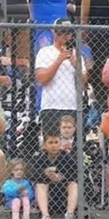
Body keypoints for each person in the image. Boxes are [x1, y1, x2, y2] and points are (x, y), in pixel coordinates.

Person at [32, 19, 89, 152]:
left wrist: (75, 64)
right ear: (54, 32)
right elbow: (42, 79)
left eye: (68, 32)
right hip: (51, 107)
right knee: (52, 147)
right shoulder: (45, 52)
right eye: (61, 32)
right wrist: (59, 60)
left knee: (72, 149)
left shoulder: (77, 54)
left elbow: (84, 82)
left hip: (72, 107)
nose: (65, 36)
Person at [29, 129, 80, 219]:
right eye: (50, 143)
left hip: (63, 192)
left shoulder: (65, 156)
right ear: (44, 145)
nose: (54, 145)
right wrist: (45, 173)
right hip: (48, 193)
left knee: (73, 184)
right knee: (40, 184)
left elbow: (75, 171)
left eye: (56, 142)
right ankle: (45, 216)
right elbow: (32, 173)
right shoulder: (39, 156)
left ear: (60, 144)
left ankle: (69, 215)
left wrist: (62, 175)